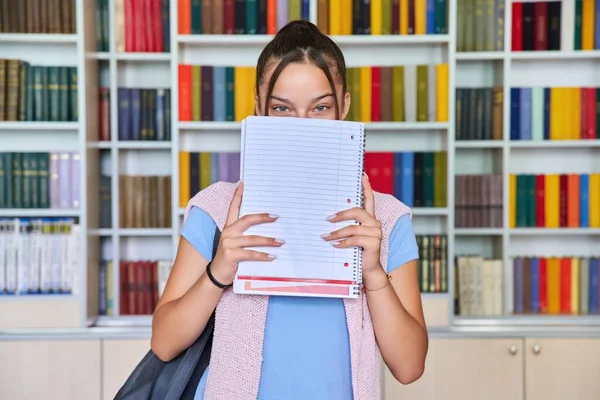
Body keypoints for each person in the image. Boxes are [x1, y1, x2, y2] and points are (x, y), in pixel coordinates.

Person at [150, 20, 428, 400]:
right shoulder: (214, 210)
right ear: (259, 109)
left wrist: (374, 273)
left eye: (321, 107)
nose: (303, 128)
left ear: (344, 107)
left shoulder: (387, 220)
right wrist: (219, 272)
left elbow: (410, 367)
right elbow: (164, 344)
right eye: (282, 108)